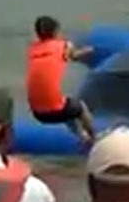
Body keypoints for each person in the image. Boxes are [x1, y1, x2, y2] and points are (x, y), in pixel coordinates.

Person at [26, 15, 97, 145]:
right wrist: (90, 50)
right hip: (54, 111)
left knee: (66, 106)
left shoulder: (32, 49)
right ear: (55, 31)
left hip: (36, 111)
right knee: (80, 107)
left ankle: (83, 138)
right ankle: (95, 138)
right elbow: (74, 56)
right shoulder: (63, 45)